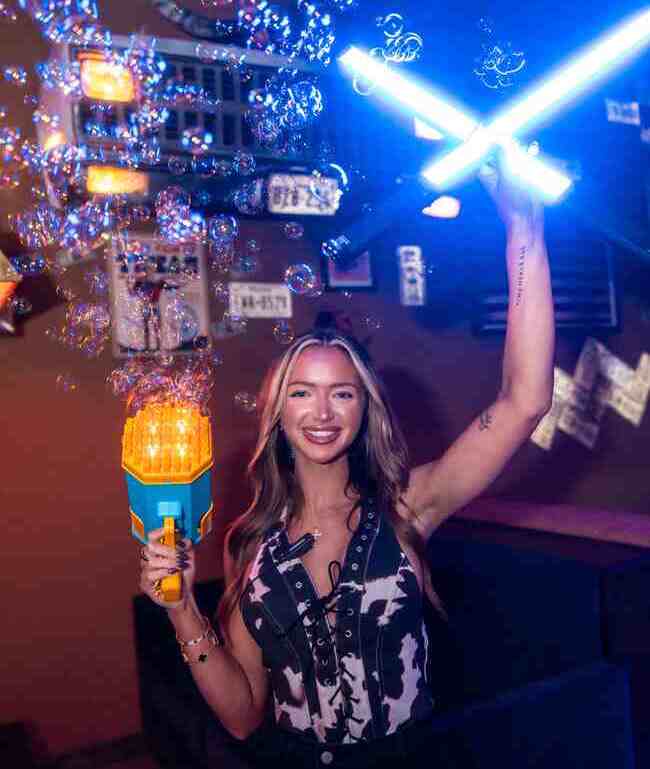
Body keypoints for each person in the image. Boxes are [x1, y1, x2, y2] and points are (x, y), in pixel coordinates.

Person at [139, 159, 555, 768]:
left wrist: (525, 231)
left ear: (365, 408)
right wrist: (180, 610)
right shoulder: (247, 544)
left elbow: (525, 402)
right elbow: (241, 715)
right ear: (278, 412)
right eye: (301, 392)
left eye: (342, 392)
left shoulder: (407, 506)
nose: (321, 412)